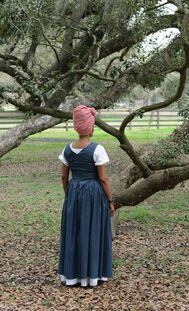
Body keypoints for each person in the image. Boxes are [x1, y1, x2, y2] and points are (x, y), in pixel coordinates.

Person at [58, 104, 115, 287]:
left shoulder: (67, 149)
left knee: (74, 232)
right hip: (93, 195)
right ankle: (93, 275)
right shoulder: (97, 149)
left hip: (74, 191)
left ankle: (72, 276)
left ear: (77, 126)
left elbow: (64, 176)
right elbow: (103, 179)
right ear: (90, 126)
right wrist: (110, 201)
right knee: (93, 230)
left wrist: (69, 195)